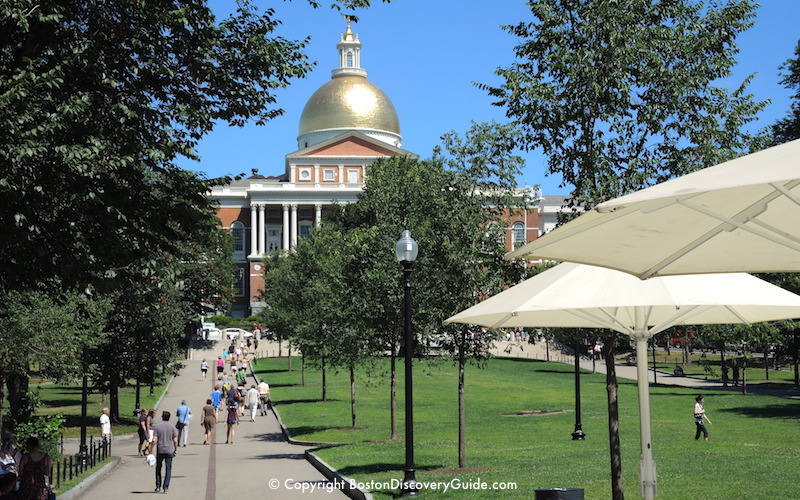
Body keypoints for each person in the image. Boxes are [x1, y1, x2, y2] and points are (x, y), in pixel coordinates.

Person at [152, 410, 178, 493]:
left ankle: (158, 486)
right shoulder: (172, 427)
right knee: (168, 469)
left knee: (158, 468)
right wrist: (175, 449)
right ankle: (166, 487)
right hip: (169, 450)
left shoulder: (157, 426)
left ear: (162, 417)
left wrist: (150, 449)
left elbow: (154, 439)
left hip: (160, 450)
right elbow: (175, 440)